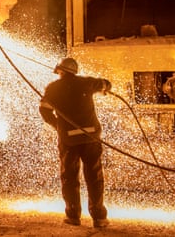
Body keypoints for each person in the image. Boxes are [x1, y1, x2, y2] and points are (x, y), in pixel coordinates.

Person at [39, 57, 111, 228]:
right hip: (91, 137)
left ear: (60, 71)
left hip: (69, 139)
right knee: (94, 177)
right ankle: (99, 217)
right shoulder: (87, 83)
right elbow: (106, 84)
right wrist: (105, 87)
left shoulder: (53, 88)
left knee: (70, 177)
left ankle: (73, 216)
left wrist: (58, 126)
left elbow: (44, 109)